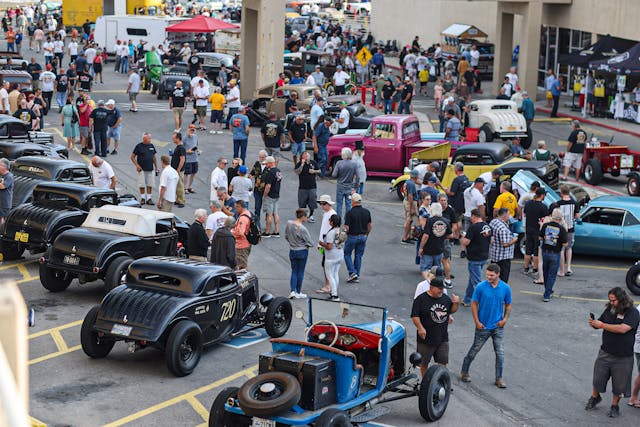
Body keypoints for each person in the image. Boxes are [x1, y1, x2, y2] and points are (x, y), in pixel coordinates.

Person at [586, 287, 640, 418]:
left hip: (623, 356)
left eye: (613, 300)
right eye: (610, 300)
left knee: (619, 384)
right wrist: (594, 323)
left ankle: (615, 406)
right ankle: (595, 397)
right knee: (598, 378)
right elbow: (601, 321)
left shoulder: (632, 312)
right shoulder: (610, 309)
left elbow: (623, 329)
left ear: (621, 299)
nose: (611, 303)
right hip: (605, 352)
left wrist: (602, 325)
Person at [461, 263, 512, 389]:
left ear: (498, 274)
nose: (488, 277)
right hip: (483, 326)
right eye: (487, 274)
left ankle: (499, 378)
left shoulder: (505, 288)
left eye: (491, 275)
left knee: (500, 353)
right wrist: (477, 322)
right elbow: (474, 304)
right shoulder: (480, 287)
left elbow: (508, 304)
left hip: (497, 326)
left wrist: (504, 319)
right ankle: (464, 371)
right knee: (474, 350)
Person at [412, 274, 459, 376]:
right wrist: (420, 328)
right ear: (431, 287)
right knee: (424, 363)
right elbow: (414, 316)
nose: (441, 291)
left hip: (442, 337)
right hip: (426, 339)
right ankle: (426, 383)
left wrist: (456, 304)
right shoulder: (421, 299)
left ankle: (441, 382)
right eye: (439, 289)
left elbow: (451, 310)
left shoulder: (445, 298)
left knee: (442, 363)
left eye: (442, 289)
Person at [461, 209, 492, 306]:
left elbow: (466, 242)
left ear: (474, 216)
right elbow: (492, 240)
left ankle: (485, 302)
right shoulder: (487, 226)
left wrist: (463, 236)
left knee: (477, 282)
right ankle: (467, 299)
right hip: (484, 256)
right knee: (472, 279)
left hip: (474, 257)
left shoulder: (473, 228)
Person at [550, 184, 580, 276]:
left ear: (561, 193)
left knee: (561, 250)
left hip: (561, 229)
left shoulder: (558, 204)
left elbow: (554, 216)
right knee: (569, 247)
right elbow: (578, 216)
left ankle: (561, 269)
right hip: (571, 228)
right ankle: (569, 268)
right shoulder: (574, 203)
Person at [539, 208, 568, 302]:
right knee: (552, 275)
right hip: (555, 254)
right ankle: (547, 294)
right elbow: (565, 244)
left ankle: (548, 290)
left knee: (546, 272)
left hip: (545, 252)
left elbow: (540, 237)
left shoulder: (545, 226)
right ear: (560, 218)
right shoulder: (561, 229)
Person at [285, 208, 314, 299]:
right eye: (306, 216)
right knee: (300, 271)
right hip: (302, 251)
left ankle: (292, 291)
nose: (307, 218)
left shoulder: (289, 224)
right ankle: (298, 291)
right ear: (303, 217)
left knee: (294, 270)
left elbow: (286, 236)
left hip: (292, 250)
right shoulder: (303, 229)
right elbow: (310, 242)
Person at [344, 193, 371, 283]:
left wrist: (343, 235)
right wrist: (366, 235)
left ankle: (352, 272)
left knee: (347, 254)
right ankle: (357, 274)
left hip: (352, 236)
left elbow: (346, 227)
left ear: (353, 201)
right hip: (363, 236)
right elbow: (369, 226)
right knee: (358, 255)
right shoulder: (366, 212)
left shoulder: (350, 213)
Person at [523, 187, 548, 276]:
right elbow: (545, 219)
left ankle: (526, 268)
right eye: (545, 194)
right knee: (536, 250)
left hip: (528, 229)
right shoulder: (543, 207)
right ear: (542, 195)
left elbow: (525, 214)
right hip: (538, 230)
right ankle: (535, 269)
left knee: (528, 249)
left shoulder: (528, 203)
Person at [320, 214, 345, 302]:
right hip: (340, 255)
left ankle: (334, 295)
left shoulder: (331, 233)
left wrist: (322, 243)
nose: (329, 221)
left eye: (330, 220)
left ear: (332, 222)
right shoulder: (342, 230)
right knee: (335, 274)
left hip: (331, 257)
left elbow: (329, 247)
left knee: (330, 275)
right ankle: (334, 292)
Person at [489, 208, 517, 283]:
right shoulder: (502, 228)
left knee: (493, 278)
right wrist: (514, 240)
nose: (509, 216)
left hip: (494, 255)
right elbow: (505, 244)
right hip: (503, 257)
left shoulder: (493, 222)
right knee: (503, 280)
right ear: (504, 215)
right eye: (508, 214)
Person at [316, 194, 337, 294]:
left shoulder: (332, 215)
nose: (321, 206)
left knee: (326, 265)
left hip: (327, 244)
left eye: (323, 204)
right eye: (320, 204)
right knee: (325, 264)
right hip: (324, 243)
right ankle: (329, 285)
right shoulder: (326, 213)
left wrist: (323, 244)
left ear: (328, 204)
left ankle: (328, 285)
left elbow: (330, 231)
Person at [131, 132, 158, 205]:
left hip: (150, 168)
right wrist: (137, 165)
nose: (150, 139)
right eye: (149, 138)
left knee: (150, 184)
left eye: (150, 138)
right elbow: (132, 157)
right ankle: (143, 198)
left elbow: (154, 157)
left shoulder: (152, 146)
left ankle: (149, 198)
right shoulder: (139, 146)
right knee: (142, 184)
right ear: (144, 139)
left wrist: (156, 167)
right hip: (141, 169)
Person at [332, 147, 359, 219]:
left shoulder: (339, 163)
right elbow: (357, 177)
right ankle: (347, 221)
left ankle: (338, 220)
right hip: (349, 187)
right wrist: (355, 188)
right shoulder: (354, 164)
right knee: (348, 205)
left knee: (339, 204)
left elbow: (334, 175)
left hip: (340, 186)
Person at [295, 151, 319, 223]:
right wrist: (302, 164)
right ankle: (303, 216)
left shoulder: (313, 163)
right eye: (304, 156)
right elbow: (297, 172)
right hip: (302, 187)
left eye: (307, 155)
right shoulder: (299, 164)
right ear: (302, 157)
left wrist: (314, 171)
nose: (306, 157)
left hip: (312, 186)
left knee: (312, 201)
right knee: (302, 203)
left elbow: (319, 170)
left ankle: (311, 215)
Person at [262, 156, 282, 237]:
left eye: (266, 163)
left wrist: (264, 195)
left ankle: (267, 232)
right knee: (275, 213)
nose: (266, 165)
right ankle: (276, 231)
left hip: (270, 195)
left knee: (269, 214)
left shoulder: (270, 172)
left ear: (270, 163)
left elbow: (268, 186)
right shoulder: (278, 171)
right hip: (276, 194)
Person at [402, 169, 420, 244]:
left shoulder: (407, 182)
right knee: (409, 220)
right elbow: (410, 195)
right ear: (416, 176)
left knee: (410, 219)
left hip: (406, 201)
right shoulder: (411, 184)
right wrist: (412, 207)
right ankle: (405, 237)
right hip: (410, 203)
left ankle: (410, 236)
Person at [233, 200, 252, 269]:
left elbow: (240, 232)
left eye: (236, 208)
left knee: (241, 266)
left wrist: (232, 233)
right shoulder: (248, 213)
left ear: (239, 207)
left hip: (241, 245)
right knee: (243, 264)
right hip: (247, 243)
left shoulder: (243, 218)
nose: (235, 210)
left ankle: (243, 279)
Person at [183, 125, 199, 194]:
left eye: (193, 130)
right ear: (188, 129)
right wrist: (187, 151)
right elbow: (181, 149)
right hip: (188, 159)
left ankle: (189, 186)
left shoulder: (195, 137)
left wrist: (198, 151)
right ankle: (185, 188)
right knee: (186, 174)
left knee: (193, 173)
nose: (192, 131)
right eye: (191, 130)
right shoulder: (184, 138)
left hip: (195, 158)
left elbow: (196, 146)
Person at [0, 160, 14, 225]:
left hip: (4, 203)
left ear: (4, 167)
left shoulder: (9, 176)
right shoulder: (1, 176)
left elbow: (2, 186)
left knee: (2, 220)